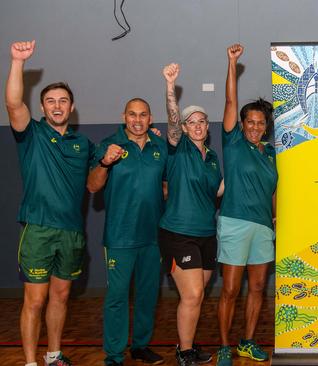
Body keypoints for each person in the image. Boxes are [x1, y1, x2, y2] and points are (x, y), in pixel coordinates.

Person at [5, 40, 94, 366]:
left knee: (60, 296)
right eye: (50, 101)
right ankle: (30, 362)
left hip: (72, 232)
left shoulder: (83, 143)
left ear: (71, 107)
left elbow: (99, 175)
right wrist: (17, 62)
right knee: (35, 299)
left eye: (63, 101)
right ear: (42, 108)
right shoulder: (31, 134)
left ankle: (53, 355)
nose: (57, 106)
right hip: (39, 229)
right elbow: (14, 103)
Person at [87, 98, 167, 366]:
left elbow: (165, 185)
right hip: (120, 237)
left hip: (153, 236)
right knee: (117, 298)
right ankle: (114, 355)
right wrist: (105, 163)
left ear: (150, 118)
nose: (137, 120)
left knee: (148, 295)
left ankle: (141, 346)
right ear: (124, 117)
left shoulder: (160, 146)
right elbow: (92, 186)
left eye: (143, 115)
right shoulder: (110, 145)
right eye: (132, 114)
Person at [216, 44, 277, 366]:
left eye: (259, 122)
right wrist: (231, 64)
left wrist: (276, 217)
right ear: (242, 124)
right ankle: (225, 345)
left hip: (262, 227)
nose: (254, 126)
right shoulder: (234, 142)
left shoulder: (270, 154)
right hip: (235, 222)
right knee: (229, 289)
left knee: (256, 288)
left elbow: (273, 189)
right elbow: (229, 101)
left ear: (266, 125)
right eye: (249, 122)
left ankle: (247, 342)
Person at [161, 63, 223, 366]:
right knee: (193, 293)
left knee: (197, 297)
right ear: (184, 128)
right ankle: (184, 352)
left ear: (207, 126)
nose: (197, 125)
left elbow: (219, 191)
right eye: (191, 122)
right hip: (178, 234)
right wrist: (171, 87)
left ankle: (187, 344)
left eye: (202, 121)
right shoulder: (178, 147)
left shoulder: (212, 158)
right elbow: (172, 121)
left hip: (206, 236)